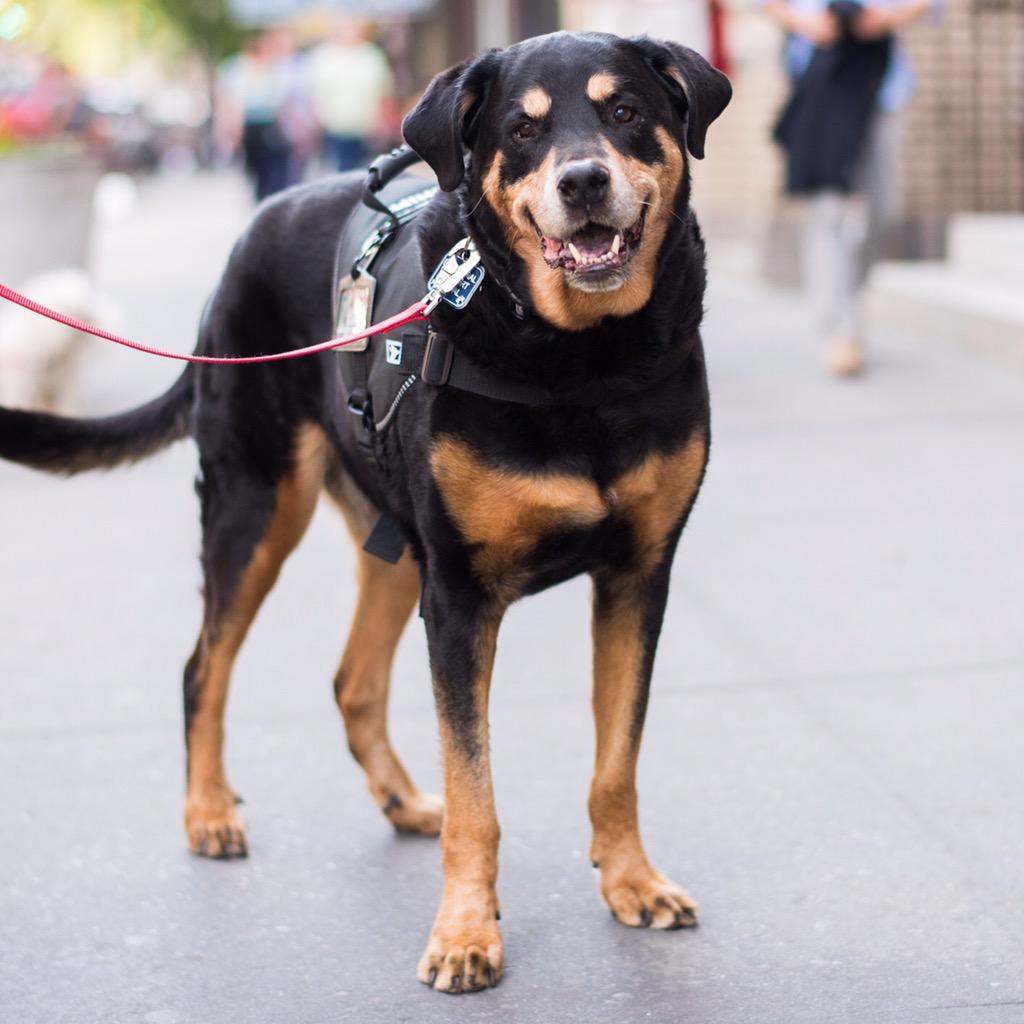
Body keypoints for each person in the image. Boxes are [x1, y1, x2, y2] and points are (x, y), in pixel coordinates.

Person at [764, 0, 935, 377]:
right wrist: (805, 24)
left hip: (882, 87)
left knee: (882, 206)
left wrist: (887, 18)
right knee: (829, 208)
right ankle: (841, 329)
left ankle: (848, 299)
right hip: (822, 83)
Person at [217, 30, 310, 202]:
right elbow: (230, 102)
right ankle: (264, 202)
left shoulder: (276, 69)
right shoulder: (237, 69)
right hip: (251, 127)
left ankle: (272, 201)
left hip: (271, 126)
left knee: (276, 171)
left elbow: (284, 103)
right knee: (257, 171)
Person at [306, 18, 395, 173]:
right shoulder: (323, 56)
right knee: (342, 167)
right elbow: (313, 91)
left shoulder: (371, 55)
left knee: (362, 166)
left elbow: (384, 91)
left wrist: (384, 120)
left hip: (365, 124)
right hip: (332, 123)